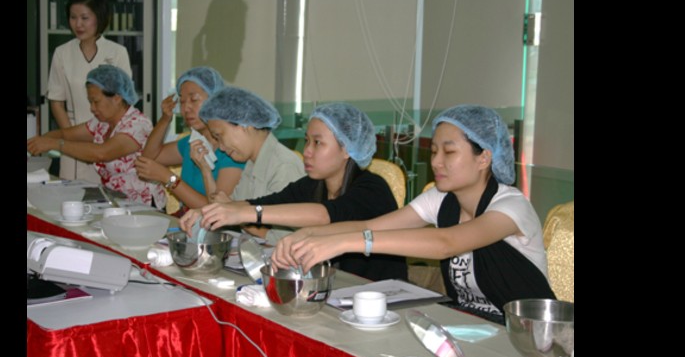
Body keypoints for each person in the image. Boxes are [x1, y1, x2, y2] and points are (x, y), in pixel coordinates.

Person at [273, 104, 555, 323]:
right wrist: (307, 235)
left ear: (484, 157)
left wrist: (346, 242)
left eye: (449, 152)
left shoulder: (511, 206)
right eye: (433, 151)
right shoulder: (442, 199)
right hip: (470, 323)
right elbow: (374, 225)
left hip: (523, 335)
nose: (436, 161)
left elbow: (447, 243)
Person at [181, 103, 408, 281]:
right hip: (333, 289)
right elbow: (266, 203)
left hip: (374, 294)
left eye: (318, 143)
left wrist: (242, 214)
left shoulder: (372, 189)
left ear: (347, 149)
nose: (307, 152)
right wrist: (211, 211)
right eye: (306, 141)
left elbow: (325, 215)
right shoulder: (310, 185)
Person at [27, 65, 165, 207]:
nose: (92, 108)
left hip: (142, 204)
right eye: (90, 102)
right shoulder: (102, 123)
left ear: (117, 98)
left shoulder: (138, 124)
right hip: (116, 200)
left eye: (96, 101)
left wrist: (56, 144)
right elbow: (65, 134)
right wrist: (38, 141)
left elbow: (102, 153)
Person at [179, 86, 305, 236]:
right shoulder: (252, 163)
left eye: (219, 136)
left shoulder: (284, 166)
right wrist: (205, 173)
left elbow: (283, 237)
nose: (221, 147)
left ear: (245, 124)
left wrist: (236, 215)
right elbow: (228, 206)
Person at [46, 0, 132, 183]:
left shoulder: (117, 52)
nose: (78, 24)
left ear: (99, 18)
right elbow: (56, 101)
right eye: (73, 17)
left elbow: (124, 101)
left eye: (85, 18)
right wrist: (69, 135)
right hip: (74, 138)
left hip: (109, 139)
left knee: (106, 197)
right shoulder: (62, 53)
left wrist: (109, 137)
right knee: (72, 198)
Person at [135, 67, 245, 213]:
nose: (186, 108)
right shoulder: (192, 142)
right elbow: (149, 158)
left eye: (194, 100)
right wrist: (165, 119)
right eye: (182, 101)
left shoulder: (231, 151)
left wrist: (169, 178)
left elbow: (217, 209)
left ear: (215, 101)